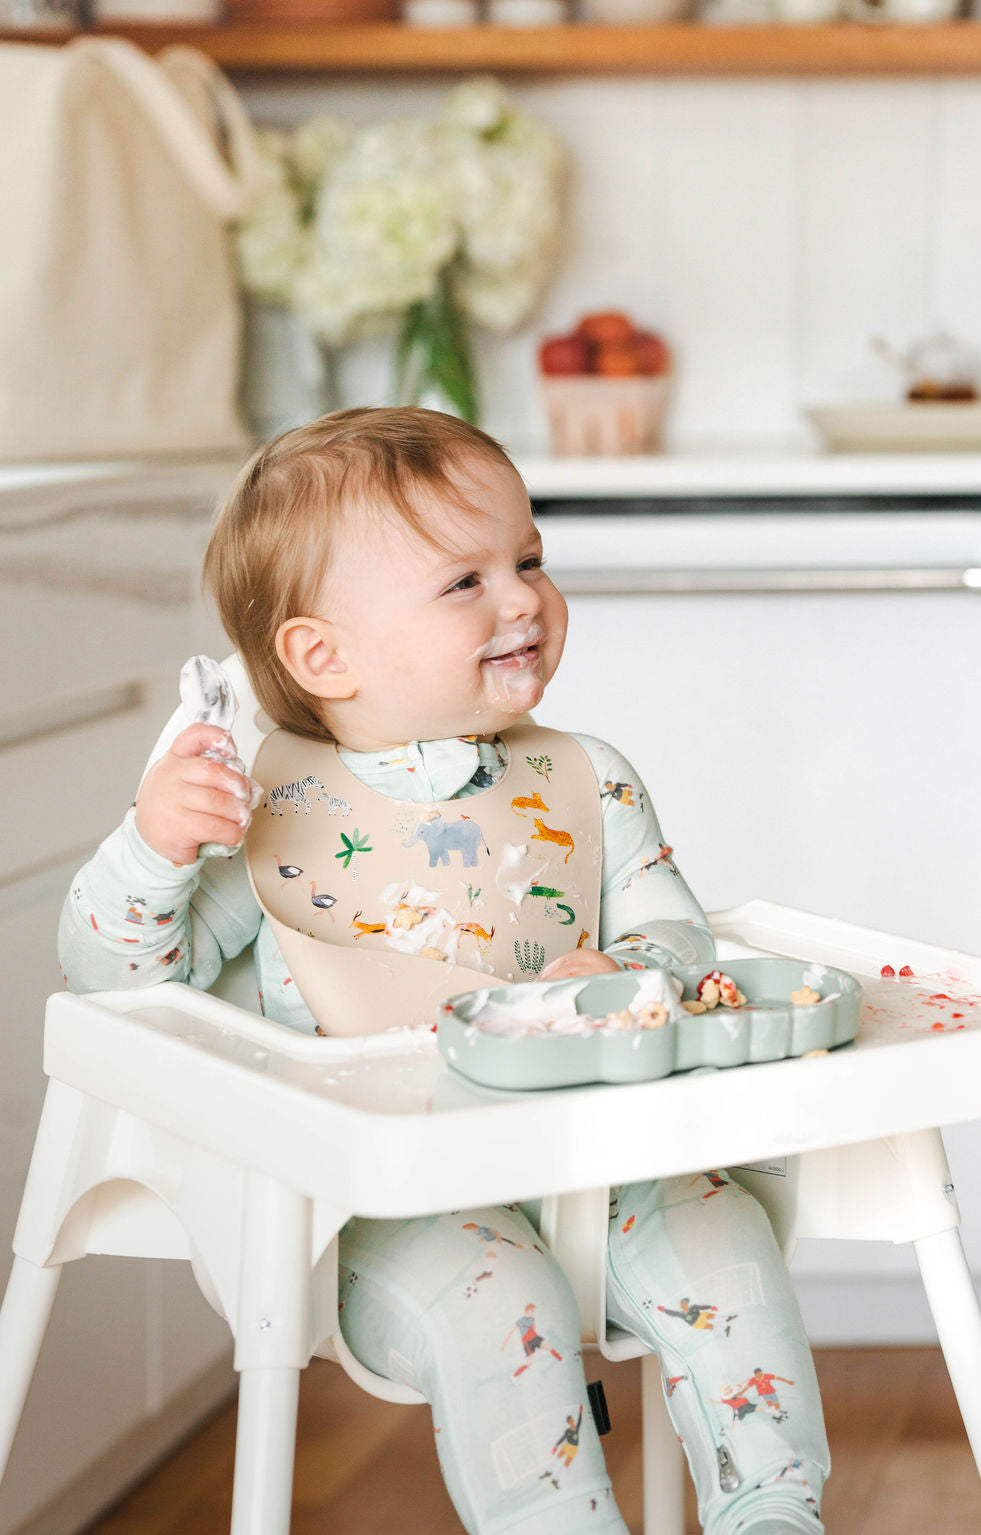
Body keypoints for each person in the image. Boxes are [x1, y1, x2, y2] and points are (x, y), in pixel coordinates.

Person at [60, 408, 829, 1535]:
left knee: (723, 1238)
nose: (522, 598)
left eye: (529, 559)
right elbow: (118, 982)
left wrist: (621, 969)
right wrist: (153, 847)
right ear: (323, 656)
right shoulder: (264, 814)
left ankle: (776, 1510)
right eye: (465, 581)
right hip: (382, 1206)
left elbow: (677, 934)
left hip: (604, 1167)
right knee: (499, 1299)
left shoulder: (590, 780)